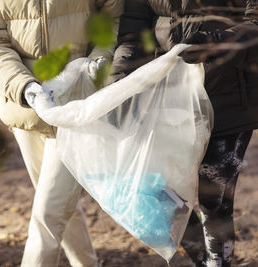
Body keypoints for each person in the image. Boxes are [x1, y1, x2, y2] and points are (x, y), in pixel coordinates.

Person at [0, 0, 123, 266]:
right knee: (60, 204)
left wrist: (96, 66)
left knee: (47, 215)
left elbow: (113, 19)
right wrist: (25, 87)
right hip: (26, 107)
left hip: (77, 108)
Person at [111, 1, 258, 266]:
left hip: (230, 99)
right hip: (169, 103)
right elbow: (133, 35)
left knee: (214, 202)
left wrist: (216, 43)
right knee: (172, 199)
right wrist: (119, 84)